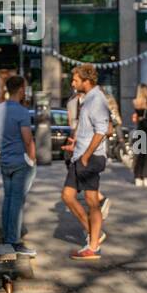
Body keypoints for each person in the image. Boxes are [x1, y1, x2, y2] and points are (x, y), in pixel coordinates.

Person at [61, 64, 109, 260]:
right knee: (67, 196)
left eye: (75, 80)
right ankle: (94, 235)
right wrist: (76, 144)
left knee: (92, 202)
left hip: (90, 158)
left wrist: (87, 154)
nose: (73, 83)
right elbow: (88, 130)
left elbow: (102, 130)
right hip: (79, 155)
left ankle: (93, 245)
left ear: (86, 81)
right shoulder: (87, 99)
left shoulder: (96, 100)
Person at [0, 75, 36, 257]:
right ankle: (13, 241)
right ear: (20, 89)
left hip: (5, 160)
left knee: (8, 198)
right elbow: (27, 139)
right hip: (20, 161)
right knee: (17, 202)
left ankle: (7, 236)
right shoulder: (21, 111)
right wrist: (33, 159)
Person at [130, 84, 147, 187]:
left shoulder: (136, 102)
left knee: (139, 154)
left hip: (139, 129)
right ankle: (145, 177)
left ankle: (137, 177)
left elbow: (135, 117)